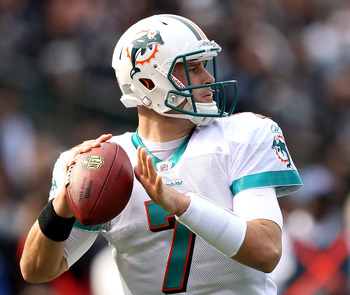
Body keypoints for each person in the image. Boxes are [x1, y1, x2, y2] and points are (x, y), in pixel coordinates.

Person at [20, 14, 302, 294]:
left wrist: (182, 205)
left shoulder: (245, 134)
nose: (209, 77)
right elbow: (36, 270)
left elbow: (267, 251)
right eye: (192, 67)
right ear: (149, 83)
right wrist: (64, 201)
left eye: (204, 65)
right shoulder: (101, 162)